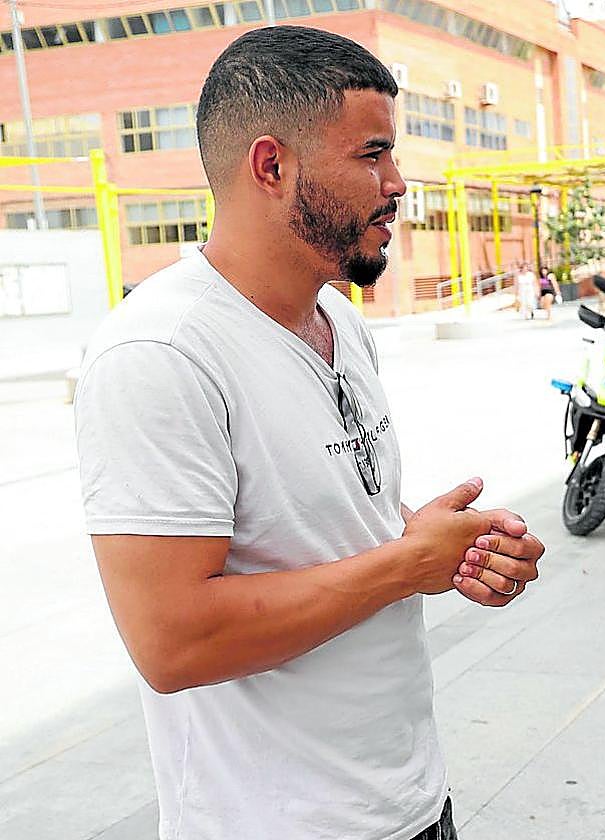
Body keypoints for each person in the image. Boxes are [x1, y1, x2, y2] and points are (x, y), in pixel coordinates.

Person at [74, 26, 544, 840]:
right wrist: (407, 565)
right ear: (271, 166)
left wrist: (447, 546)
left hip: (409, 801)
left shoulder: (339, 322)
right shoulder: (161, 354)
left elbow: (334, 528)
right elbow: (174, 642)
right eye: (372, 154)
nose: (398, 184)